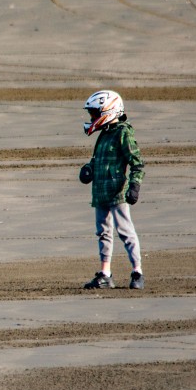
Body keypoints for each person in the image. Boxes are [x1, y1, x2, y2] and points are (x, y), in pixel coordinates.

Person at [78, 89, 145, 290]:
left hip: (118, 192)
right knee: (103, 232)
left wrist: (134, 185)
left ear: (109, 111)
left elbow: (137, 163)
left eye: (95, 113)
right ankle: (106, 273)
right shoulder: (104, 135)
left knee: (126, 232)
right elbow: (97, 159)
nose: (92, 118)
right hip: (100, 193)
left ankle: (137, 272)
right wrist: (89, 169)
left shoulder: (123, 133)